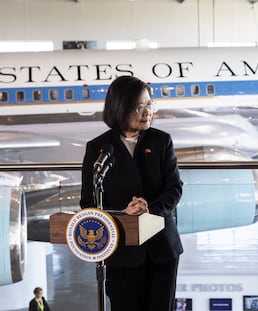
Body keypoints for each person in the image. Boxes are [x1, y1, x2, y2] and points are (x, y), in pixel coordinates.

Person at [80, 75, 183, 311]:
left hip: (161, 247)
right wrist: (123, 213)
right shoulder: (98, 148)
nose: (147, 112)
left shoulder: (161, 141)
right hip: (120, 249)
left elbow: (174, 188)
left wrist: (150, 208)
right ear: (121, 108)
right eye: (140, 106)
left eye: (150, 104)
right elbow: (88, 201)